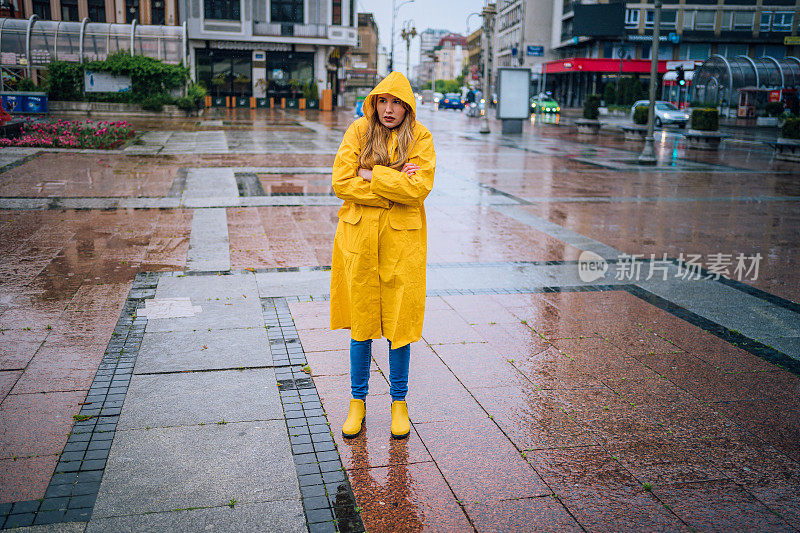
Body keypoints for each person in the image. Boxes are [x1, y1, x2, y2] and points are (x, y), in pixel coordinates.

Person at [329, 71, 436, 440]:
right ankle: (357, 402)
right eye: (382, 101)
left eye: (396, 103)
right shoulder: (358, 131)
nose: (388, 110)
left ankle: (398, 402)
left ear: (408, 106)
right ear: (373, 103)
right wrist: (392, 182)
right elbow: (341, 181)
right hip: (359, 239)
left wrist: (370, 173)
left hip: (401, 244)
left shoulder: (420, 138)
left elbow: (419, 187)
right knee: (361, 323)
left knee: (398, 325)